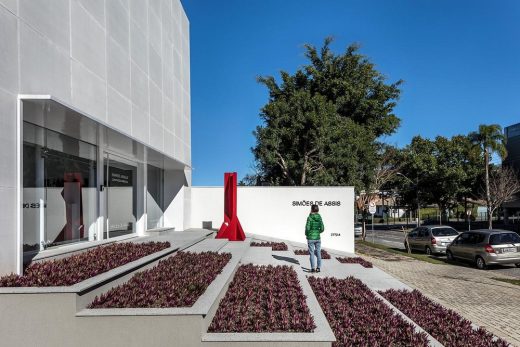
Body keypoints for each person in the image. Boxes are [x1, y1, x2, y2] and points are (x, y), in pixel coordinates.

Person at [305, 204, 324, 273]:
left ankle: (313, 268)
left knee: (312, 253)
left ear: (312, 209)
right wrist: (318, 232)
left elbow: (307, 228)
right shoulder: (320, 217)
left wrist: (307, 235)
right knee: (318, 252)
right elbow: (322, 228)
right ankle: (318, 268)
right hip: (318, 238)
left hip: (310, 238)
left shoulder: (309, 217)